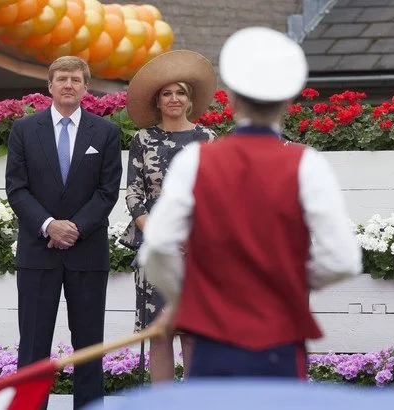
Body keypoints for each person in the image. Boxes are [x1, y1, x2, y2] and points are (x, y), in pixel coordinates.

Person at [138, 27, 363, 379]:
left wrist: (188, 297)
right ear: (288, 102)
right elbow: (344, 259)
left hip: (213, 335)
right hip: (281, 341)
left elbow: (156, 248)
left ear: (232, 100)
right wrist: (285, 282)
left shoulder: (195, 160)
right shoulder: (308, 164)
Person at [5, 56, 122, 408]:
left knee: (88, 347)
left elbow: (108, 190)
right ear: (50, 85)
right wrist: (48, 225)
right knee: (34, 347)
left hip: (87, 255)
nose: (68, 84)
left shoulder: (105, 132)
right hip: (38, 254)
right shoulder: (24, 130)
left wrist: (76, 228)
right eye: (62, 79)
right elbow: (17, 188)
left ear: (86, 87)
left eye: (75, 79)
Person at [119, 50, 217, 382]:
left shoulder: (208, 139)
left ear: (190, 101)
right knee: (158, 334)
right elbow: (133, 193)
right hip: (156, 253)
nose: (174, 99)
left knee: (192, 333)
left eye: (180, 92)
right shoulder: (142, 140)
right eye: (167, 93)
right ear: (157, 101)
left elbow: (216, 196)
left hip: (197, 252)